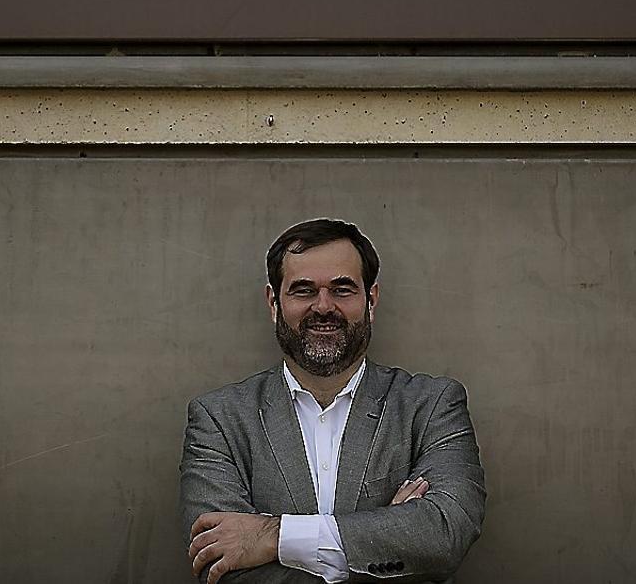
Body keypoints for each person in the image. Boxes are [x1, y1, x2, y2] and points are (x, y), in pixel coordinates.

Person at [180, 219, 486, 583]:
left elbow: (444, 534)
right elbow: (220, 565)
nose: (323, 307)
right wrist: (387, 539)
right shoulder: (219, 419)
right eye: (303, 290)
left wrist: (270, 536)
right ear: (274, 303)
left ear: (370, 300)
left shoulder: (431, 406)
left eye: (342, 289)